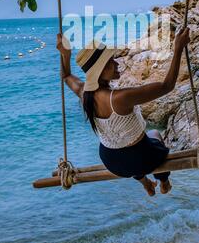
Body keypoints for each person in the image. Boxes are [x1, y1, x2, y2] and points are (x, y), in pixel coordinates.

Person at [56, 27, 190, 196]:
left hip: (111, 161)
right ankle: (164, 181)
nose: (117, 63)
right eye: (112, 61)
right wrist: (178, 49)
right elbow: (167, 86)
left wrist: (65, 55)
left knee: (129, 150)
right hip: (139, 160)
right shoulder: (120, 98)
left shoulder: (84, 93)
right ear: (101, 70)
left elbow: (66, 76)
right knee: (155, 133)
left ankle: (145, 182)